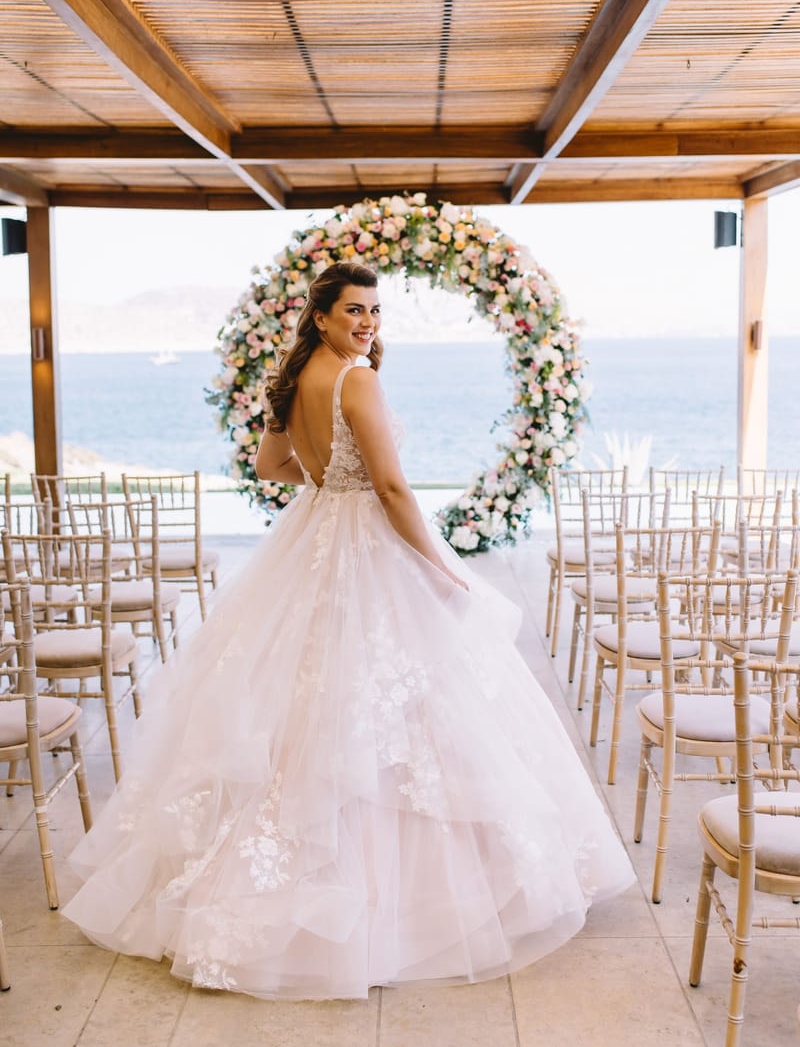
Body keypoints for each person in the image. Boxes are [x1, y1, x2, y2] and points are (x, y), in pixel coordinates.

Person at [63, 261, 633, 1001]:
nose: (368, 322)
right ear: (322, 315)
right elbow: (394, 487)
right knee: (400, 701)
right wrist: (439, 562)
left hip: (316, 531)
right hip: (367, 539)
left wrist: (331, 487)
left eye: (375, 311)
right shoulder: (356, 380)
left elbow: (271, 463)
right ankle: (397, 898)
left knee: (310, 698)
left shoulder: (297, 376)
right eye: (354, 310)